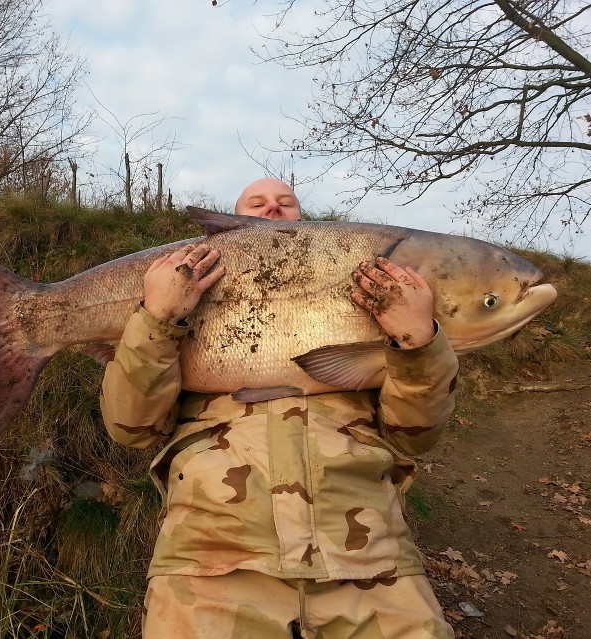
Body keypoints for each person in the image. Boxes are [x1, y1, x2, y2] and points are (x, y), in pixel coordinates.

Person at [100, 177, 459, 638]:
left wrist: (416, 343)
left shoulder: (369, 302)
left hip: (373, 564)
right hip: (210, 564)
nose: (272, 208)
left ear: (304, 221)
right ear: (227, 226)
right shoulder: (169, 300)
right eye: (257, 202)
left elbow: (419, 435)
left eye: (286, 202)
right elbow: (132, 430)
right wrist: (157, 319)